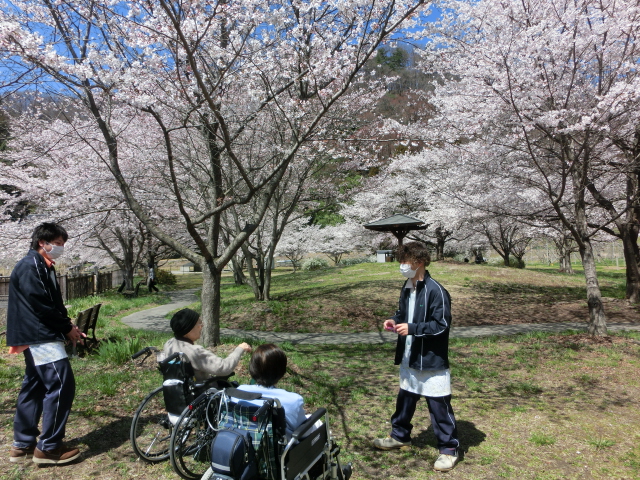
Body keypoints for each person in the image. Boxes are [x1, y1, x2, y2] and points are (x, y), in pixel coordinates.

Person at [373, 242, 460, 472]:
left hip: (430, 359)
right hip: (410, 356)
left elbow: (441, 325)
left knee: (438, 404)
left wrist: (412, 328)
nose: (402, 266)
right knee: (405, 398)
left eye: (405, 262)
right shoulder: (407, 286)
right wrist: (394, 319)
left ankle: (449, 449)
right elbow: (403, 313)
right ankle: (400, 436)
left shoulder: (436, 291)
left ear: (419, 262)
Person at [7, 222, 85, 465]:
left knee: (35, 387)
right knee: (62, 385)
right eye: (58, 244)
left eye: (62, 244)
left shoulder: (43, 266)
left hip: (38, 334)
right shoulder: (31, 266)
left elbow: (53, 303)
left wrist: (68, 325)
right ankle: (49, 448)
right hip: (40, 335)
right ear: (43, 242)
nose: (60, 249)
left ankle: (22, 445)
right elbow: (41, 304)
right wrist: (65, 327)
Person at [236, 343, 307, 437]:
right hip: (280, 449)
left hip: (243, 443)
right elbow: (303, 432)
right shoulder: (293, 400)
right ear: (282, 371)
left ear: (252, 369)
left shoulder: (239, 392)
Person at [163, 308, 251, 381]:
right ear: (188, 328)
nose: (202, 326)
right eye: (199, 323)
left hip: (180, 393)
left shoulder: (169, 344)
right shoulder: (194, 351)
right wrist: (240, 349)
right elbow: (224, 368)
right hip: (202, 395)